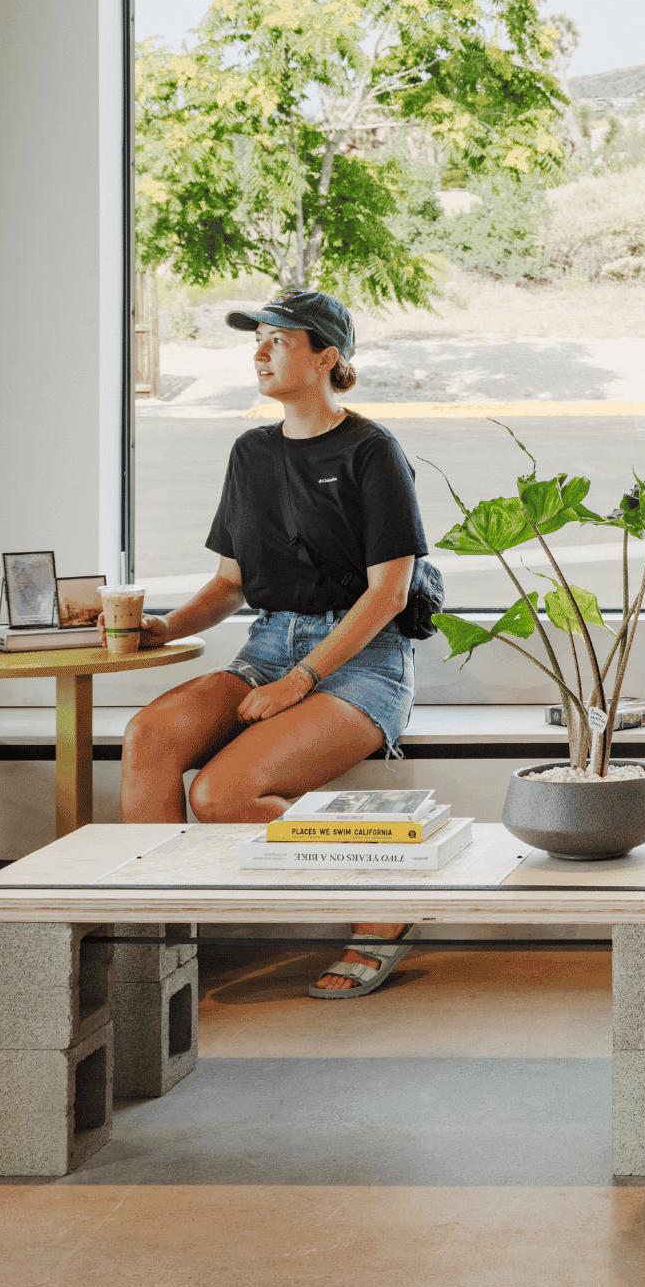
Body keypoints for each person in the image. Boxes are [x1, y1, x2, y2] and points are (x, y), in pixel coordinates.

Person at [116, 288, 428, 999]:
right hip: (266, 647)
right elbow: (229, 583)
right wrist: (163, 626)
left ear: (327, 355)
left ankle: (386, 900)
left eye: (279, 340)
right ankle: (162, 949)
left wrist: (302, 681)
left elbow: (389, 594)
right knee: (151, 734)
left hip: (361, 664)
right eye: (257, 339)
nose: (259, 352)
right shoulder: (251, 452)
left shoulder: (373, 451)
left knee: (223, 796)